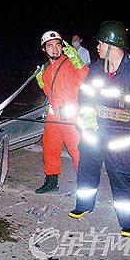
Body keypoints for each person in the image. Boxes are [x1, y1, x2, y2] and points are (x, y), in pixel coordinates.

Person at [68, 21, 130, 237]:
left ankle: (129, 221)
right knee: (87, 168)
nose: (98, 47)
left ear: (112, 46)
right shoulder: (95, 69)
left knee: (122, 176)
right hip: (94, 130)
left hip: (120, 134)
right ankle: (84, 204)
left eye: (101, 43)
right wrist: (87, 113)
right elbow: (85, 95)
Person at [34, 31, 89, 194]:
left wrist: (76, 59)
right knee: (50, 149)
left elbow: (84, 75)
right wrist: (41, 81)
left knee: (77, 151)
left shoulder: (70, 62)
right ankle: (51, 181)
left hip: (71, 118)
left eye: (58, 45)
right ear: (44, 49)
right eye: (50, 46)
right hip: (53, 117)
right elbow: (49, 92)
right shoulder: (46, 69)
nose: (55, 49)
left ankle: (85, 184)